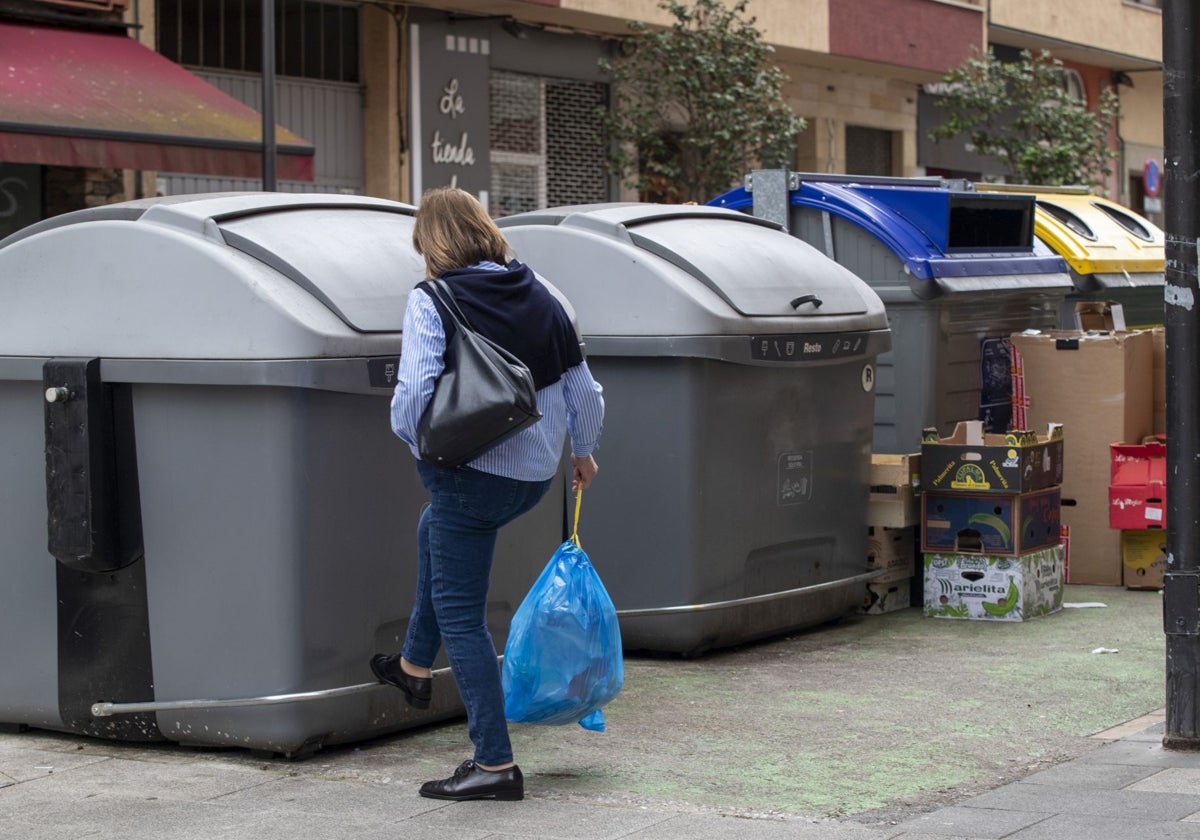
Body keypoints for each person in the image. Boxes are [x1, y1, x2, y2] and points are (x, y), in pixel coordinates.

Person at [372, 186, 604, 802]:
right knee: (434, 528)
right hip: (531, 479)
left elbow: (415, 391)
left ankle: (494, 764)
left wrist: (414, 441)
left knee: (462, 615)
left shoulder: (432, 299)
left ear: (431, 243)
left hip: (469, 476)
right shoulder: (544, 293)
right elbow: (586, 394)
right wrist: (581, 452)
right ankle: (413, 667)